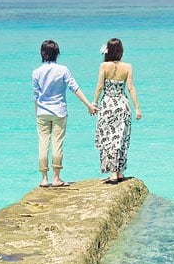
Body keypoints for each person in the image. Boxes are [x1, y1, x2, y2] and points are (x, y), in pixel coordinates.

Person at [32, 40, 96, 188]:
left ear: (42, 53)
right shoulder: (63, 70)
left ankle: (43, 178)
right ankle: (56, 178)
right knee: (57, 143)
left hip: (42, 112)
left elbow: (35, 96)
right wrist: (89, 105)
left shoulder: (36, 72)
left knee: (43, 144)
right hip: (59, 112)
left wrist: (37, 113)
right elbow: (75, 88)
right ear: (57, 54)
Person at [92, 38, 142, 184]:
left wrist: (94, 103)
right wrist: (137, 107)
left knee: (108, 138)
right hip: (122, 104)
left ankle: (113, 174)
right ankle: (119, 171)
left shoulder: (104, 66)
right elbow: (131, 88)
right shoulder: (128, 67)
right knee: (121, 138)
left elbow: (100, 87)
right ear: (120, 51)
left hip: (108, 104)